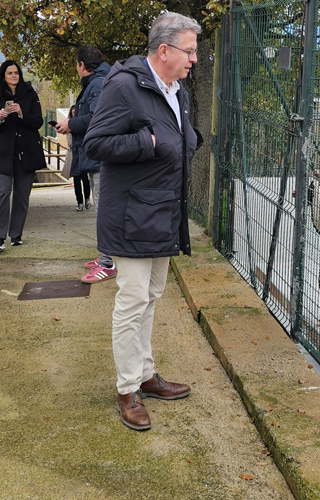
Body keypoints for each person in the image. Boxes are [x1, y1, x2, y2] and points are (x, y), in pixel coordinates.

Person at [84, 13, 204, 431]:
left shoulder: (177, 91)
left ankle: (146, 374)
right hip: (131, 216)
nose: (194, 59)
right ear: (164, 50)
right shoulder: (125, 86)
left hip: (163, 212)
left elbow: (178, 137)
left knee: (151, 297)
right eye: (189, 51)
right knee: (132, 301)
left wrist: (187, 141)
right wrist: (146, 142)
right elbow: (95, 143)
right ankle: (127, 390)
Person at [54, 46, 115, 284]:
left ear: (82, 64)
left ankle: (108, 263)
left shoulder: (97, 83)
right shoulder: (98, 81)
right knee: (103, 208)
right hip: (96, 156)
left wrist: (70, 124)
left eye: (76, 64)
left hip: (101, 157)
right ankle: (106, 255)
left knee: (104, 211)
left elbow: (96, 117)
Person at [0, 60, 47, 251]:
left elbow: (38, 121)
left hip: (26, 154)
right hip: (4, 154)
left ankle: (16, 235)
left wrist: (21, 113)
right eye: (10, 73)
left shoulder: (30, 94)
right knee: (3, 192)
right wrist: (0, 118)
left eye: (16, 73)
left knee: (22, 196)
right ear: (3, 77)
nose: (14, 76)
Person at [65, 105, 90, 211]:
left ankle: (87, 198)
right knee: (76, 181)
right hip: (74, 156)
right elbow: (70, 143)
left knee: (85, 179)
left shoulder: (83, 124)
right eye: (73, 112)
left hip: (83, 156)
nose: (74, 114)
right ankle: (79, 202)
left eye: (76, 112)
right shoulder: (69, 125)